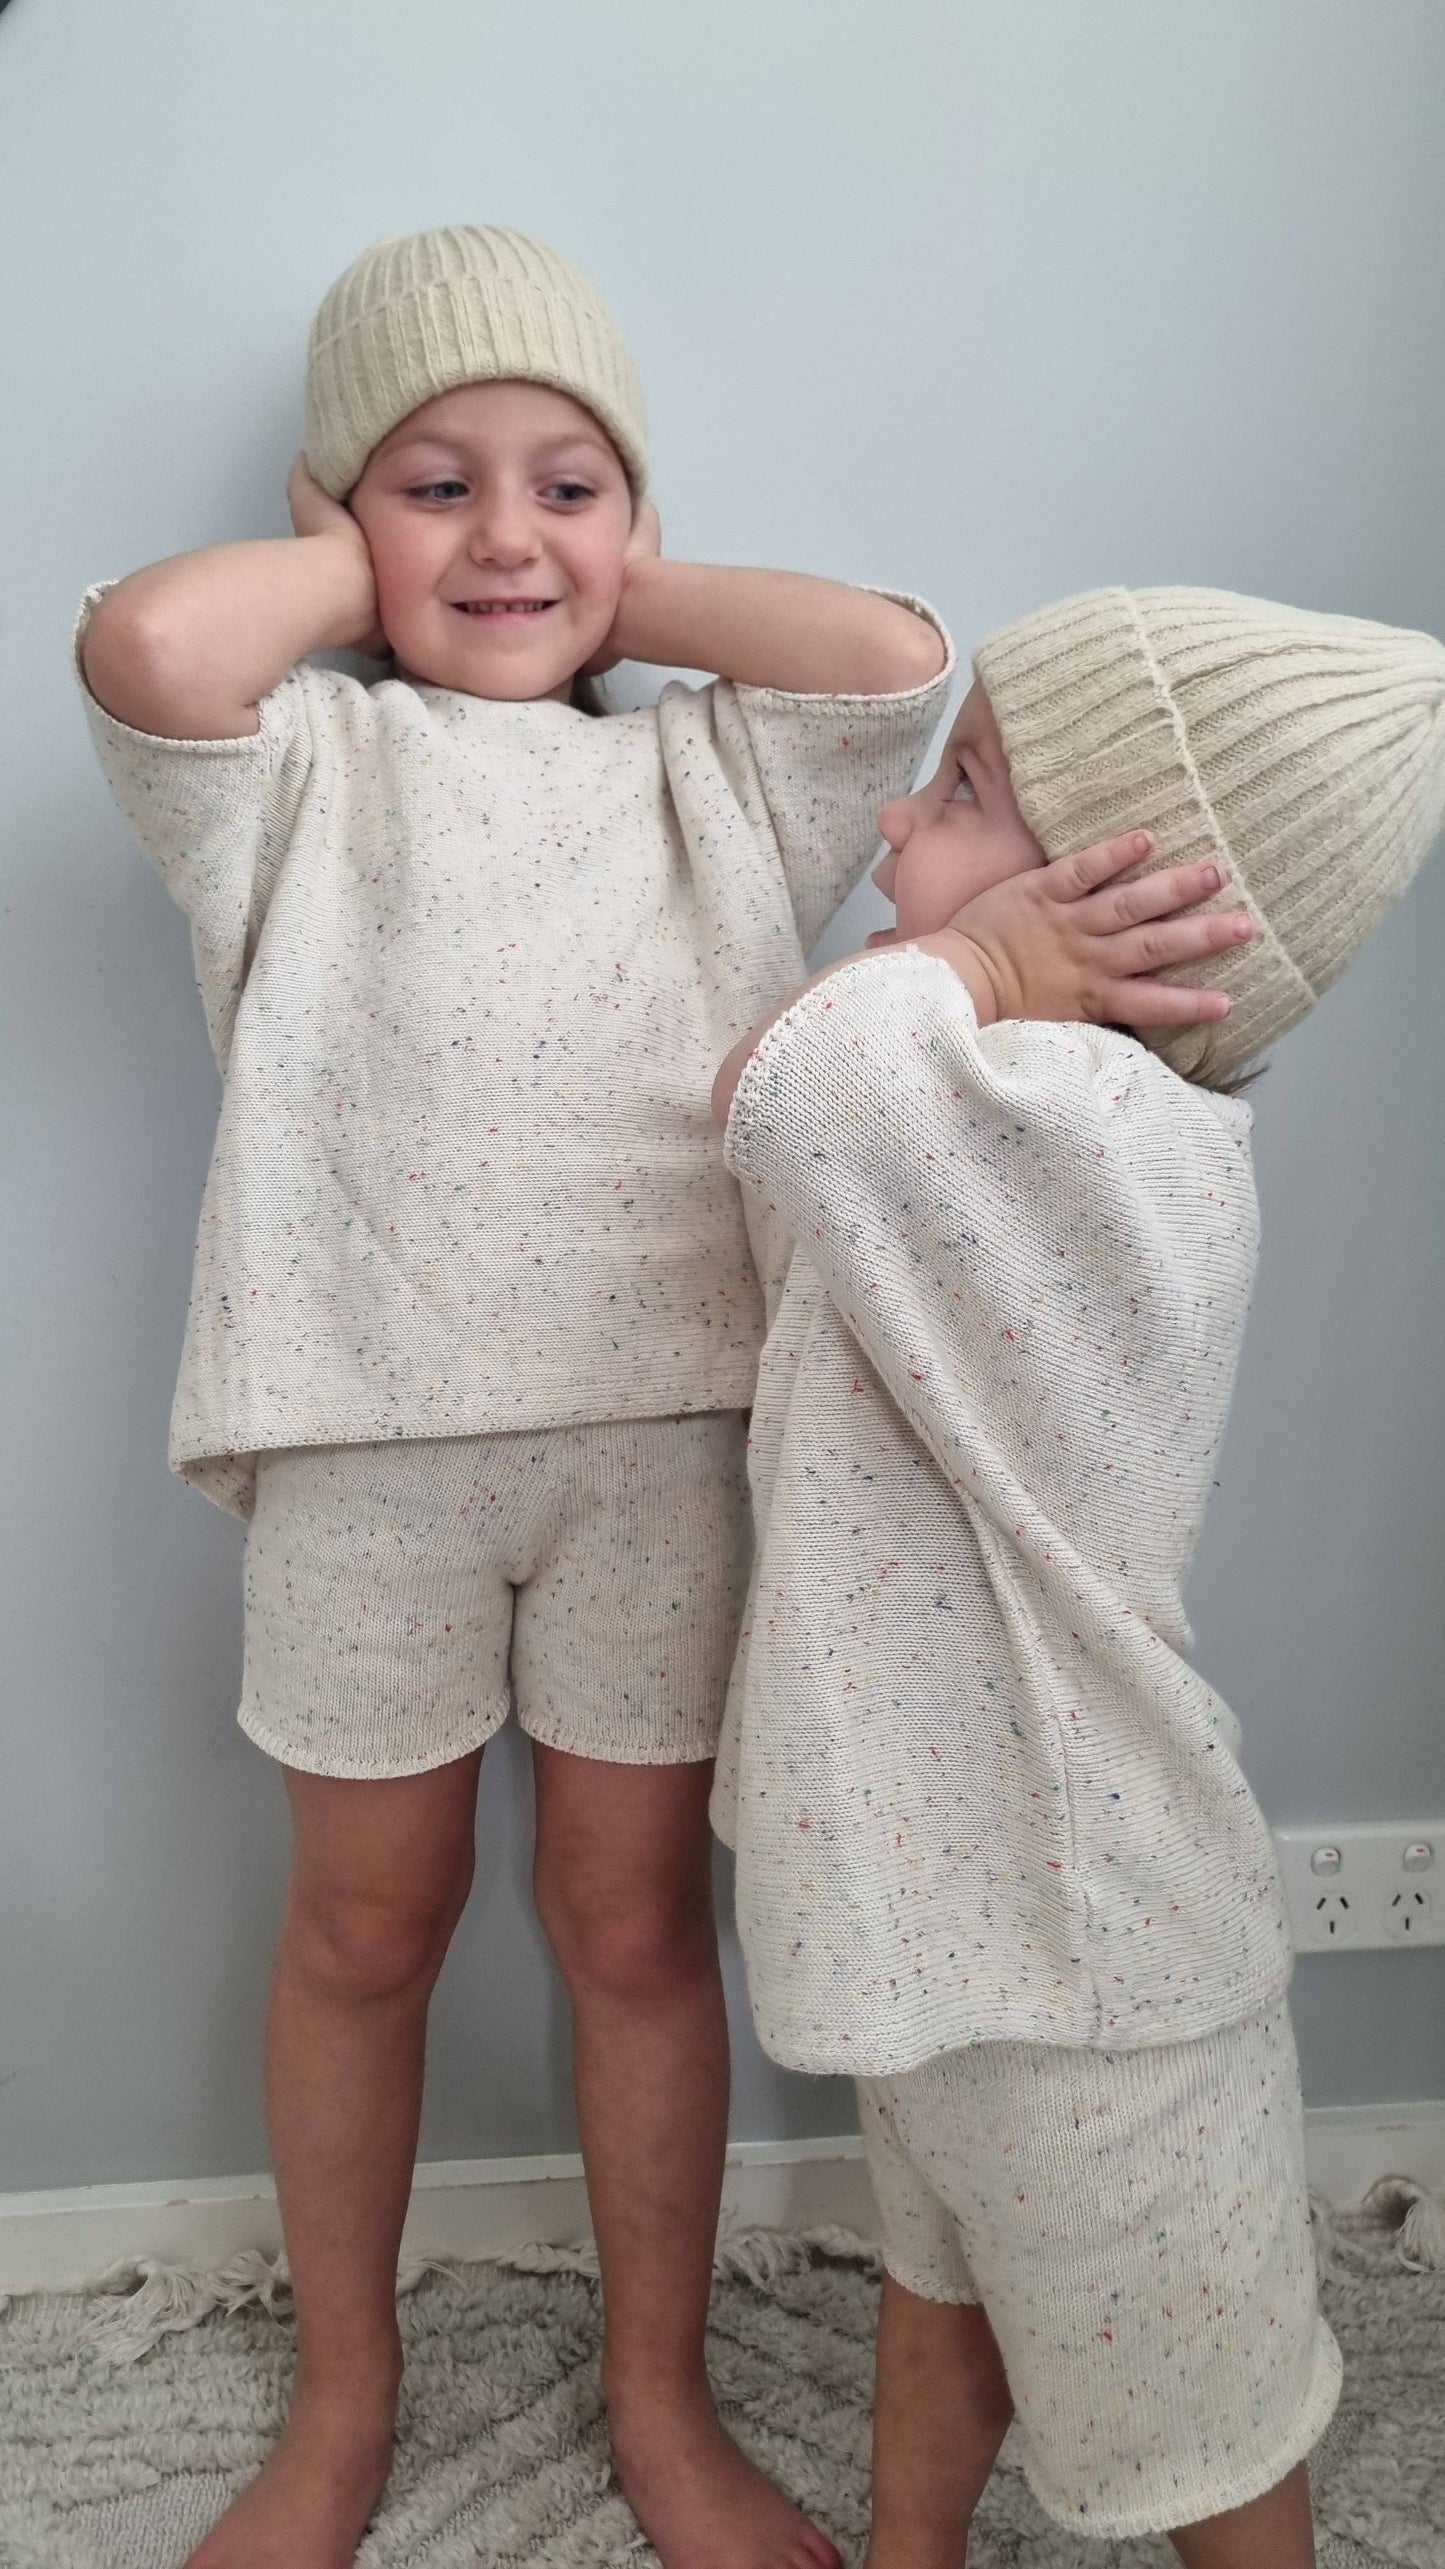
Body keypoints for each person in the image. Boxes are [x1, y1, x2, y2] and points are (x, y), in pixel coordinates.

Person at [76, 219, 960, 2569]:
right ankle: (341, 2405)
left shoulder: (714, 777)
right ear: (328, 514)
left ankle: (660, 2400)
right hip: (364, 1444)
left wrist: (598, 571)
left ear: (642, 517)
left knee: (637, 1928)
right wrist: (369, 566)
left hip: (660, 1446)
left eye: (567, 482)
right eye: (431, 483)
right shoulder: (299, 765)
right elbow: (146, 645)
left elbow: (894, 655)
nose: (502, 535)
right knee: (365, 1930)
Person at [710, 585, 1445, 2567]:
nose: (896, 826)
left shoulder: (1101, 1135)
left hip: (1084, 1938)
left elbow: (779, 1090)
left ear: (1135, 901)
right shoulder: (997, 1104)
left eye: (959, 788)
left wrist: (968, 956)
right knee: (940, 2287)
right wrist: (974, 945)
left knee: (1209, 2411)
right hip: (957, 1905)